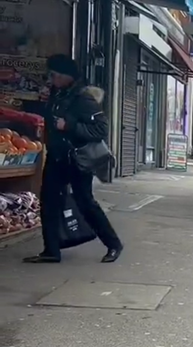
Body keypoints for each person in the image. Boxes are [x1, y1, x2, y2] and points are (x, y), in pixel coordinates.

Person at [23, 54, 122, 264]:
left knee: (85, 202)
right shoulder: (56, 94)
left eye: (54, 75)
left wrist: (69, 127)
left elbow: (101, 129)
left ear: (67, 76)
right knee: (49, 202)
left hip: (76, 159)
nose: (51, 79)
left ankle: (113, 244)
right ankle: (51, 250)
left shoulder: (82, 98)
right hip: (57, 157)